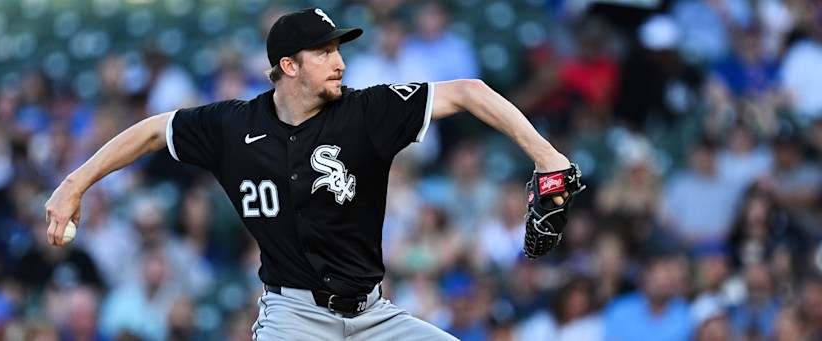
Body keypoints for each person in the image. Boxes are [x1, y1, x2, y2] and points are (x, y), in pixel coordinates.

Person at [44, 8, 574, 339]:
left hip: (375, 317)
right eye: (324, 52)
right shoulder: (234, 125)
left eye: (339, 48)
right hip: (293, 318)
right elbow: (154, 130)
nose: (339, 61)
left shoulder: (366, 111)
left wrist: (548, 156)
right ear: (289, 66)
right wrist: (74, 183)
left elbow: (469, 91)